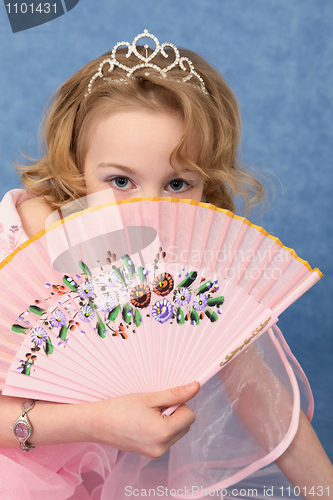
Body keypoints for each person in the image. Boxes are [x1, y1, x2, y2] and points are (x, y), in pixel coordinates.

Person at [0, 30, 332, 500]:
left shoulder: (184, 264)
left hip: (94, 477)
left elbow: (260, 393)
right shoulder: (18, 243)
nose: (150, 209)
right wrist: (94, 421)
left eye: (178, 184)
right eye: (121, 180)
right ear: (75, 165)